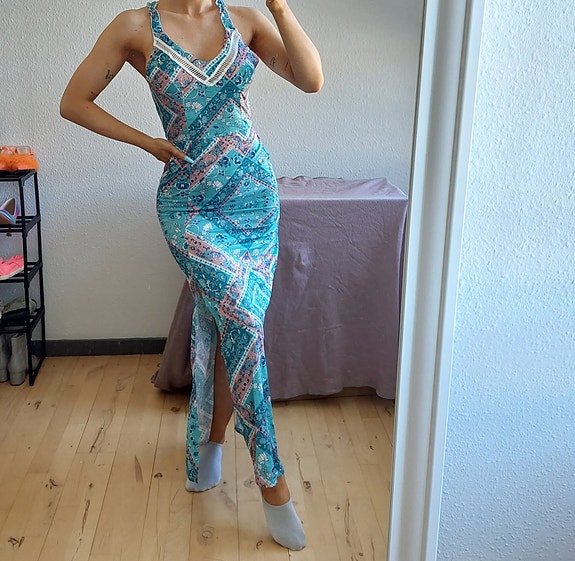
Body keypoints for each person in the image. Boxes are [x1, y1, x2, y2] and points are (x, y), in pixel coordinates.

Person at [60, 0, 323, 551]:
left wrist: (279, 6)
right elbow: (74, 102)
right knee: (242, 321)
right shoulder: (137, 26)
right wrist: (148, 141)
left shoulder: (246, 20)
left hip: (254, 198)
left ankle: (210, 442)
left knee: (234, 325)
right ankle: (271, 480)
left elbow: (311, 80)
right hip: (189, 204)